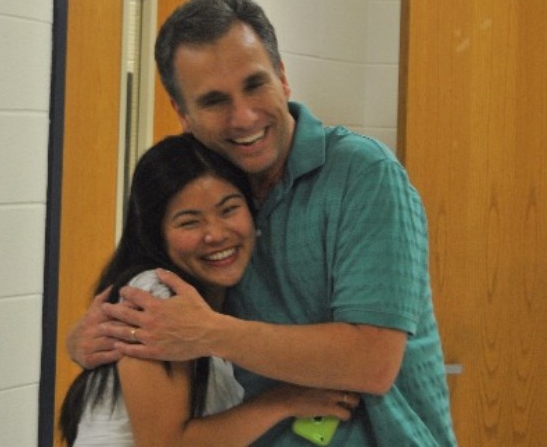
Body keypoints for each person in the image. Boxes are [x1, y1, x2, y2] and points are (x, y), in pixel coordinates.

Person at [67, 0, 457, 446]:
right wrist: (91, 341)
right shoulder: (203, 187)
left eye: (255, 85)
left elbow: (372, 362)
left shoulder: (363, 175)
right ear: (182, 113)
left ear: (283, 77)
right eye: (213, 101)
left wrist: (209, 334)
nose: (244, 116)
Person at [60, 133, 359, 446]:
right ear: (155, 233)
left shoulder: (225, 300)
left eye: (229, 210)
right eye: (189, 222)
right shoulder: (153, 295)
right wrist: (284, 401)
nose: (215, 235)